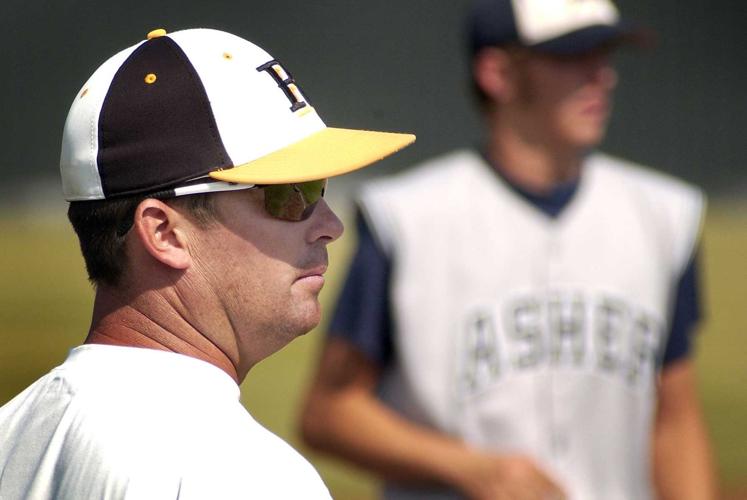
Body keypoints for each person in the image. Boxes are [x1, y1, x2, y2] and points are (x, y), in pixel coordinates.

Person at [300, 1, 718, 499]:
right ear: (497, 73)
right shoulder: (408, 219)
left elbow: (675, 420)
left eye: (605, 53)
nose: (601, 76)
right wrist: (470, 469)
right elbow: (329, 412)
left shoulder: (664, 215)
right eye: (572, 56)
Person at [0, 27, 414, 499]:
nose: (330, 225)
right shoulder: (244, 474)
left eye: (317, 186)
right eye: (286, 193)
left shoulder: (13, 435)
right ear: (163, 232)